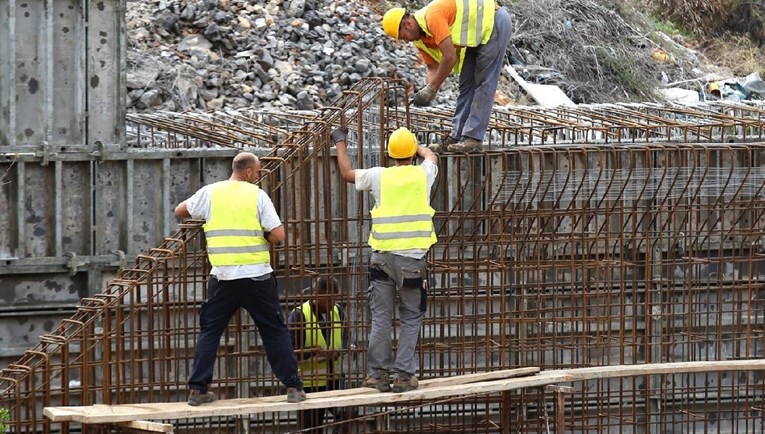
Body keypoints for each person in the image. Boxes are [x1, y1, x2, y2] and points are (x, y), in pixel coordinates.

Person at [174, 152, 306, 406]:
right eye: (257, 172)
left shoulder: (211, 192)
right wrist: (266, 238)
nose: (258, 176)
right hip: (256, 277)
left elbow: (180, 210)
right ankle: (293, 387)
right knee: (275, 331)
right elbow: (279, 235)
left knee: (210, 331)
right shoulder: (257, 195)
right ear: (247, 172)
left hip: (223, 277)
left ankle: (198, 389)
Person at [331, 126, 438, 393]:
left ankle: (377, 375)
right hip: (412, 260)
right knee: (411, 317)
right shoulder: (423, 173)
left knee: (380, 318)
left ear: (389, 154)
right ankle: (403, 376)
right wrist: (419, 148)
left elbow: (346, 173)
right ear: (412, 154)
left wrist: (340, 142)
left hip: (381, 258)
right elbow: (432, 156)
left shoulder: (379, 176)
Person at [381, 0, 513, 153]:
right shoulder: (420, 39)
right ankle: (457, 136)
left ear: (408, 25)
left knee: (484, 80)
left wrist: (432, 88)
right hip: (478, 33)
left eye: (402, 37)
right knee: (466, 84)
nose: (405, 40)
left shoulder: (432, 16)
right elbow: (433, 67)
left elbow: (449, 57)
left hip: (495, 21)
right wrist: (428, 89)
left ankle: (474, 137)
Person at [288, 276, 349, 433]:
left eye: (335, 298)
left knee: (346, 417)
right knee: (312, 429)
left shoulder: (338, 312)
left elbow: (345, 341)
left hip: (334, 380)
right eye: (329, 298)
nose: (332, 303)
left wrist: (336, 353)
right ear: (316, 294)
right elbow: (289, 354)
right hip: (309, 385)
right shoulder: (299, 316)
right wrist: (314, 353)